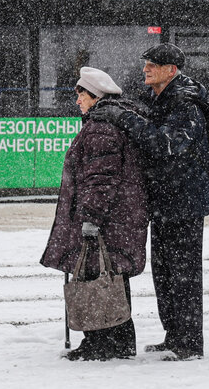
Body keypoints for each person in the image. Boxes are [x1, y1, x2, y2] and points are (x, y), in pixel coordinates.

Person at [90, 43, 209, 361]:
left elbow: (165, 143)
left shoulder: (185, 103)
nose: (145, 69)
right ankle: (174, 335)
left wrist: (121, 116)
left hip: (184, 203)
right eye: (145, 63)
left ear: (171, 70)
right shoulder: (161, 97)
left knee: (183, 273)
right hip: (165, 199)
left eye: (152, 65)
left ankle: (189, 342)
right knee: (165, 272)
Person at [40, 66, 148, 361]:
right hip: (118, 219)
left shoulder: (101, 126)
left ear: (95, 96)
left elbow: (100, 178)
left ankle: (99, 342)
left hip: (107, 221)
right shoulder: (110, 120)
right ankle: (121, 342)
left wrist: (91, 219)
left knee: (95, 277)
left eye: (81, 94)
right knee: (112, 278)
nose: (77, 100)